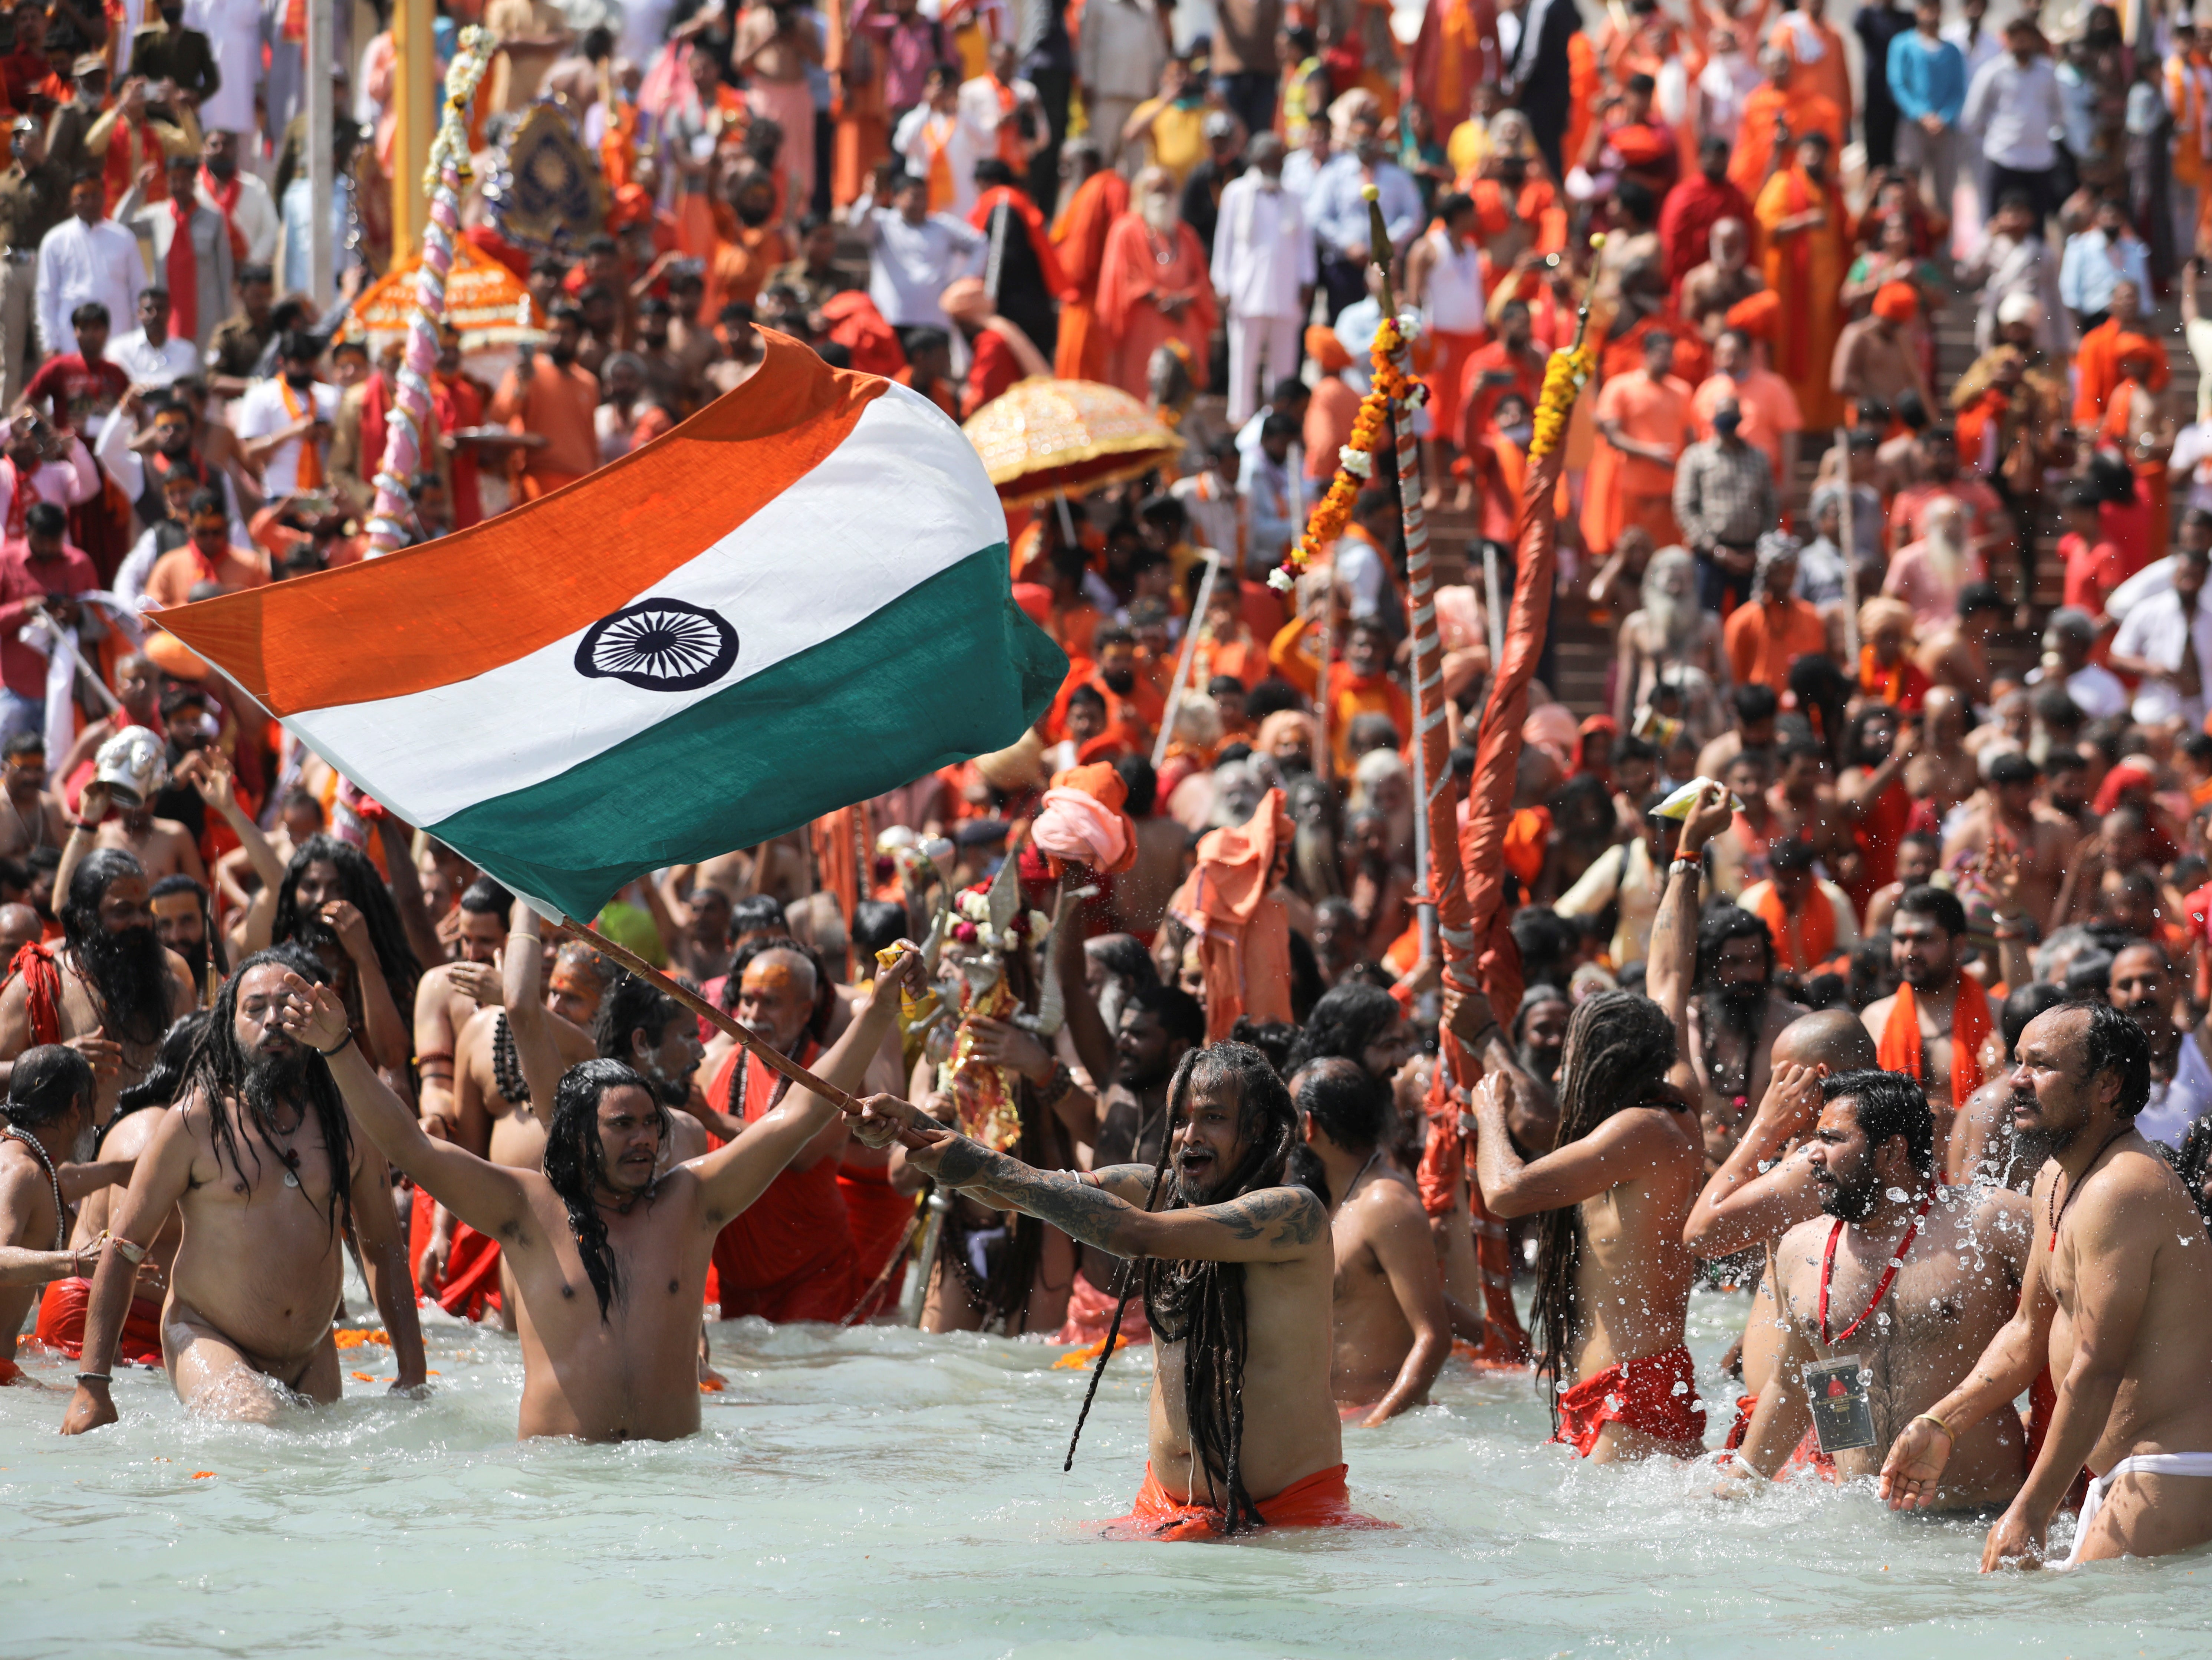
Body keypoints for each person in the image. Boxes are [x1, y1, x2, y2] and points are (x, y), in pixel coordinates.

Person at [861, 1040, 1370, 1538]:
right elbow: (1027, 1190)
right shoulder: (1154, 1189)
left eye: (1213, 1118)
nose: (1189, 1136)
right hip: (1162, 1507)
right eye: (1180, 1119)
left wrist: (981, 1165)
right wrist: (914, 1130)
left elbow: (1134, 1233)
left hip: (1289, 1517)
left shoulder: (1293, 1213)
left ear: (1257, 1128)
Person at [1880, 1001, 2212, 1567]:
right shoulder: (2054, 1179)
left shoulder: (2124, 1187)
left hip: (2173, 1465)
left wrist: (2029, 1511)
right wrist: (1944, 1422)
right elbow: (2028, 1330)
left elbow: (2097, 1367)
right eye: (2018, 1062)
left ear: (2108, 1084)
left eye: (2041, 1065)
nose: (2017, 1081)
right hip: (2114, 1469)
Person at [59, 952, 427, 1430]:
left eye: (288, 1006)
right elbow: (124, 1249)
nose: (273, 1019)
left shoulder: (348, 1123)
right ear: (229, 1026)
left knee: (324, 1483)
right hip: (206, 1333)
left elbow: (384, 1249)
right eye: (255, 1008)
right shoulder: (195, 1122)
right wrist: (92, 1384)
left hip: (312, 1350)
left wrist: (412, 1370)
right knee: (259, 1427)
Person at [1472, 783, 1724, 1461]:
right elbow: (1669, 973)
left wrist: (1485, 1114)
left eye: (1571, 1052)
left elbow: (1505, 1193)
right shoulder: (1669, 1101)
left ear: (1601, 1064)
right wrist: (1687, 854)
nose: (1559, 1067)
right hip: (1621, 1389)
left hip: (1628, 1395)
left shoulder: (1640, 1131)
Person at [1722, 1069, 2031, 1508]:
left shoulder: (1989, 1224)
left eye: (1832, 1139)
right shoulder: (1801, 1248)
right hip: (1864, 1522)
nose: (1813, 1154)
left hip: (1981, 1517)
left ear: (1891, 1151)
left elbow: (2057, 1338)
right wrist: (1742, 1482)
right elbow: (1794, 1384)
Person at [1294, 1056, 1450, 1425]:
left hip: (1380, 1426)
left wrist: (1375, 1428)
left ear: (1309, 1125)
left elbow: (1434, 1339)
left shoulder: (1386, 1202)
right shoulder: (1329, 1200)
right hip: (1334, 1428)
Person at [0, 846, 197, 1120]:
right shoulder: (37, 985)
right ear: (84, 920)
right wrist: (52, 1064)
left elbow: (195, 1083)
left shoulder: (173, 991)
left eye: (144, 910)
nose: (140, 922)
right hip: (65, 1160)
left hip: (154, 1156)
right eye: (123, 911)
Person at [0, 1046, 110, 1380]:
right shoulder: (21, 1171)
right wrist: (77, 1261)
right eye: (94, 1104)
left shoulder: (32, 1165)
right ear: (77, 1105)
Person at [1864, 885, 1993, 1125]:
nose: (1909, 951)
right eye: (1901, 939)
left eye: (1924, 939)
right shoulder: (1874, 1019)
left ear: (1958, 946)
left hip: (1972, 1157)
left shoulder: (1994, 1014)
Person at [1754, 131, 1850, 431]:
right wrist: (1804, 222)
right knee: (1792, 357)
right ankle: (1792, 425)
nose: (1815, 158)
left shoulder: (1833, 192)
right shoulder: (1783, 184)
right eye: (1809, 151)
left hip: (1827, 297)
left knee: (1824, 362)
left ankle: (1822, 425)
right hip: (1792, 289)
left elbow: (1848, 234)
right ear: (1799, 154)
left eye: (1821, 152)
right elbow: (1765, 228)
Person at [1096, 165, 1214, 400]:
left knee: (1180, 393)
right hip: (1146, 322)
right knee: (1143, 390)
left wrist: (1185, 299)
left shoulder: (1185, 234)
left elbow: (1201, 279)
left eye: (1167, 190)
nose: (1162, 197)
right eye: (1154, 191)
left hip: (1183, 322)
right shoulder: (1126, 230)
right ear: (1141, 195)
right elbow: (1121, 279)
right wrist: (1161, 298)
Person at [2109, 942, 2212, 1150]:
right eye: (2126, 985)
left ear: (2176, 985)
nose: (2139, 995)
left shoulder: (2204, 1047)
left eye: (2150, 982)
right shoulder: (2105, 1066)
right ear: (2111, 996)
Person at [1963, 17, 2062, 227]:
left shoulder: (2048, 72)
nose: (2022, 43)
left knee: (2036, 225)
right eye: (2017, 38)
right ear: (2007, 40)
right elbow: (1973, 116)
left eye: (2027, 38)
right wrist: (1998, 137)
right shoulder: (1993, 71)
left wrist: (2042, 132)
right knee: (1996, 221)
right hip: (2003, 157)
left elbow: (2059, 111)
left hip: (2040, 160)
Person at [35, 170, 144, 360]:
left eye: (95, 196)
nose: (89, 202)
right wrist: (50, 343)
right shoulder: (55, 240)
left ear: (105, 197)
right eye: (82, 197)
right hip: (71, 339)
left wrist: (141, 337)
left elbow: (139, 290)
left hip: (119, 335)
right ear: (71, 200)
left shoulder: (123, 237)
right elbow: (46, 296)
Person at [1049, 138, 1128, 382]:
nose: (1063, 172)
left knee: (1090, 381)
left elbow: (1120, 244)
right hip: (1074, 300)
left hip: (1097, 302)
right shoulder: (1080, 193)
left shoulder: (1110, 188)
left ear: (1088, 163)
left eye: (1069, 165)